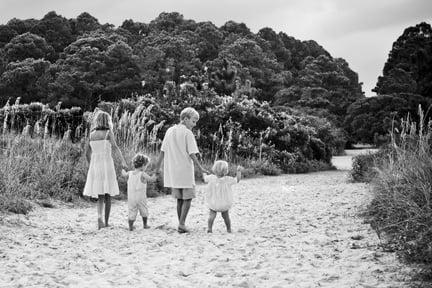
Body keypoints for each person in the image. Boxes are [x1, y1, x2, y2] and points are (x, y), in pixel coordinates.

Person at [154, 107, 206, 233]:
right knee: (187, 198)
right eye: (193, 121)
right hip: (185, 170)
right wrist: (201, 167)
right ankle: (182, 224)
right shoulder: (187, 133)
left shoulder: (169, 131)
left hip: (173, 171)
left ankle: (180, 223)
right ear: (185, 119)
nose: (194, 125)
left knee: (179, 199)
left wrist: (157, 168)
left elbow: (162, 151)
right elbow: (192, 154)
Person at [83, 110, 127, 229]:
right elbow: (115, 147)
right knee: (108, 195)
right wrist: (123, 160)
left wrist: (91, 165)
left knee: (100, 194)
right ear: (107, 120)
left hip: (95, 165)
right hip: (107, 164)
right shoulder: (108, 132)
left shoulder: (91, 134)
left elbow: (87, 153)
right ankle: (106, 222)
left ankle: (99, 217)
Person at [203, 160, 242, 233]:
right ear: (225, 171)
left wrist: (204, 173)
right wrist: (238, 171)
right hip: (224, 203)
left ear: (214, 169)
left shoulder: (211, 178)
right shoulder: (228, 179)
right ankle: (229, 229)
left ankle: (209, 228)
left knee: (212, 216)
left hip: (214, 202)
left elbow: (205, 178)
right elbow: (237, 180)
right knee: (226, 216)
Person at [121, 153, 156, 231]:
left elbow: (123, 174)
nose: (146, 167)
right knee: (144, 210)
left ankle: (130, 226)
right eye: (146, 165)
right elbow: (151, 179)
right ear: (143, 165)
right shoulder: (142, 174)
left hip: (131, 197)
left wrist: (123, 169)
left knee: (132, 210)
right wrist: (155, 174)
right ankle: (145, 224)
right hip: (141, 197)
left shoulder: (129, 173)